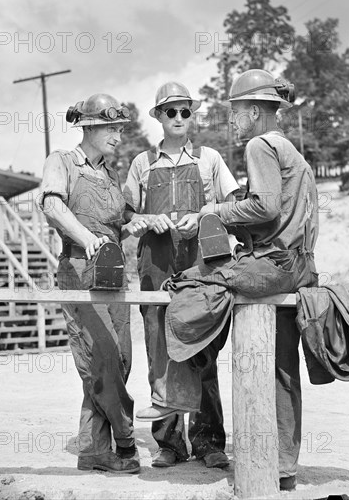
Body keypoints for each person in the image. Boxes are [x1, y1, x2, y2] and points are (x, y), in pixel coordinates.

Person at [136, 70, 319, 491]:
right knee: (281, 369)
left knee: (187, 291)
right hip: (300, 267)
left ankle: (177, 398)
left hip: (272, 264)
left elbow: (267, 208)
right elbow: (279, 208)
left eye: (235, 112)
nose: (232, 122)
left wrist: (211, 212)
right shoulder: (291, 150)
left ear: (254, 111)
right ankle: (284, 468)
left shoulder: (260, 144)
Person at [123, 82, 239, 469]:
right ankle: (169, 443)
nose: (177, 118)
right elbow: (124, 215)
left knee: (201, 347)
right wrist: (142, 220)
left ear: (192, 116)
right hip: (155, 264)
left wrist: (206, 213)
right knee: (159, 346)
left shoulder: (210, 159)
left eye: (184, 111)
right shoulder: (142, 163)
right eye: (169, 111)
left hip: (199, 263)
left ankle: (208, 441)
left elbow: (233, 203)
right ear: (157, 116)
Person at [38, 93, 139, 474]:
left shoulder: (111, 173)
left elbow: (120, 219)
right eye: (111, 127)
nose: (118, 134)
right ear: (90, 126)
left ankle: (95, 449)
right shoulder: (62, 161)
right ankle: (124, 438)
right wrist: (86, 237)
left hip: (115, 276)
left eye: (120, 128)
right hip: (79, 271)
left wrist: (138, 223)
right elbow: (52, 205)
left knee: (120, 358)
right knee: (100, 357)